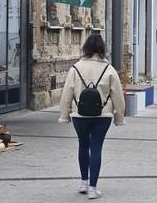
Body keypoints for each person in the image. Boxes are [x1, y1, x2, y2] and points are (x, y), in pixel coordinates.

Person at [59, 34, 126, 200]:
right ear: (102, 49)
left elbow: (67, 93)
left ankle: (83, 182)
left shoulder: (75, 68)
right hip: (102, 116)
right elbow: (118, 96)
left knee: (83, 145)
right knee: (96, 147)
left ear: (86, 48)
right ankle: (93, 188)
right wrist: (119, 118)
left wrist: (64, 115)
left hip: (79, 116)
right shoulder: (109, 69)